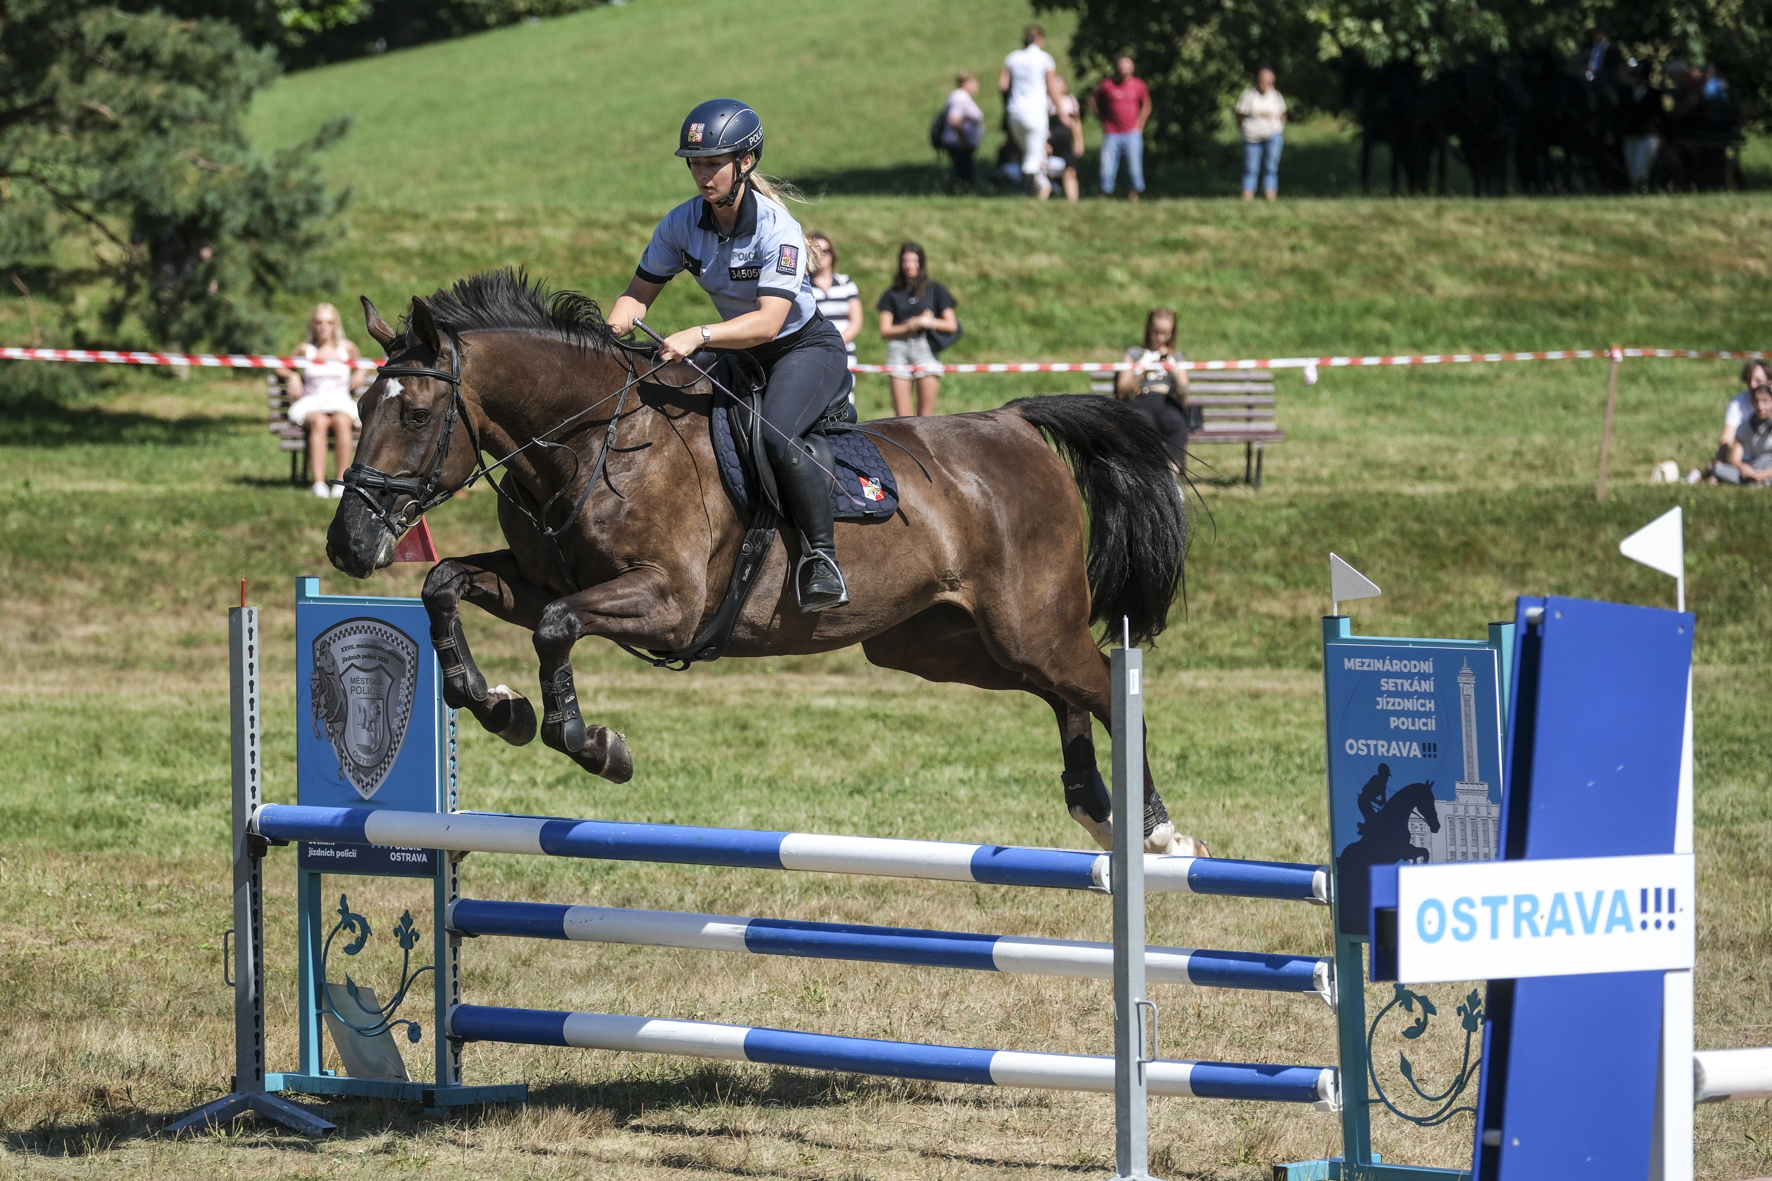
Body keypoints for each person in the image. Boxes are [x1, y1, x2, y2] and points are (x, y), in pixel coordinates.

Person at [607, 98, 854, 612]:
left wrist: (698, 334)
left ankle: (822, 560)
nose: (701, 173)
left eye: (712, 162)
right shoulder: (679, 224)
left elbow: (768, 322)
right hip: (739, 356)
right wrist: (611, 326)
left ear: (745, 163)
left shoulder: (776, 228)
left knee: (775, 435)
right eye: (694, 162)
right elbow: (636, 295)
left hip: (802, 349)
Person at [279, 302, 366, 499]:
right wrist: (292, 376)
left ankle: (340, 482)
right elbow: (281, 366)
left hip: (340, 401)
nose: (324, 326)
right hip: (312, 402)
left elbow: (363, 366)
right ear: (313, 325)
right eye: (319, 322)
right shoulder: (305, 349)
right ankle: (318, 483)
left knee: (342, 421)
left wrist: (360, 373)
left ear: (336, 325)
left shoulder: (347, 348)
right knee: (319, 421)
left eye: (329, 322)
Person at [876, 241, 957, 418]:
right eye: (905, 261)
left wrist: (928, 323)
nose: (909, 265)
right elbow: (885, 330)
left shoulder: (935, 289)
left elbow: (951, 325)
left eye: (914, 261)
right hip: (899, 349)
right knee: (902, 417)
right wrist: (911, 325)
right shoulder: (892, 293)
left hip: (925, 349)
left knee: (925, 417)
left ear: (921, 263)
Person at [1113, 308, 1190, 474]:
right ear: (1148, 329)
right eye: (1156, 332)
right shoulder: (1133, 354)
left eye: (1166, 333)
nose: (1161, 338)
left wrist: (1174, 375)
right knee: (1144, 424)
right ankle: (1151, 474)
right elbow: (1121, 392)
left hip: (1166, 401)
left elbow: (1184, 396)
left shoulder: (1176, 356)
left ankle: (1172, 474)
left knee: (1177, 424)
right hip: (1142, 400)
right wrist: (1142, 371)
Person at [999, 24, 1063, 199]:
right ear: (1040, 40)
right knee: (1033, 156)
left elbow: (1003, 85)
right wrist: (1062, 111)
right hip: (1035, 112)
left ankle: (1037, 188)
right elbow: (1052, 87)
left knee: (1026, 152)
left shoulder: (1012, 58)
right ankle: (1025, 192)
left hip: (1015, 112)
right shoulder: (1045, 59)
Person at [1090, 55, 1151, 200]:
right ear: (1117, 67)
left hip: (1132, 133)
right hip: (1112, 133)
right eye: (1122, 65)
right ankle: (1103, 195)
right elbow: (1093, 99)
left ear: (1132, 68)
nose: (1124, 69)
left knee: (1134, 168)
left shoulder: (1138, 85)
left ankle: (1134, 195)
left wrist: (1140, 124)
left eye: (1127, 65)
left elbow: (1147, 105)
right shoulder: (1107, 85)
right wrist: (1101, 119)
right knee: (1106, 167)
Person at [808, 233, 862, 387]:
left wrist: (839, 342)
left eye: (826, 251)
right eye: (816, 251)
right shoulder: (805, 285)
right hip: (817, 350)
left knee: (846, 397)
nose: (821, 255)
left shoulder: (845, 282)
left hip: (845, 350)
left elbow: (856, 321)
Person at [1235, 67, 1287, 202]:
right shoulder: (1249, 95)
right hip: (1251, 138)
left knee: (1271, 167)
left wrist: (1278, 128)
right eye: (1263, 81)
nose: (1265, 85)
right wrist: (1244, 130)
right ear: (1258, 81)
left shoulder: (1276, 96)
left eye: (1269, 82)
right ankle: (1247, 197)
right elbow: (1240, 115)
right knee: (1251, 168)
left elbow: (1283, 114)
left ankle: (1270, 196)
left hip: (1272, 135)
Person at [1711, 381, 1772, 486]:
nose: (1760, 406)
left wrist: (1767, 474)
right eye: (1756, 401)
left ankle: (1758, 482)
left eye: (1765, 401)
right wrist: (1743, 467)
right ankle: (1755, 482)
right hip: (1755, 466)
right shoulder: (1745, 426)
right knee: (1718, 469)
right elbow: (1735, 459)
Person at [941, 72, 985, 194]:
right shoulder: (960, 97)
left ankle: (959, 193)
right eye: (974, 83)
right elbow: (954, 119)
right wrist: (964, 139)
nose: (977, 86)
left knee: (965, 173)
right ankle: (956, 194)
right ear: (965, 83)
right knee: (963, 173)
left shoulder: (962, 97)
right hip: (958, 143)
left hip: (961, 142)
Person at [1047, 77, 1086, 202]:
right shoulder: (1046, 101)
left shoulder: (1071, 101)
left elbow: (1076, 123)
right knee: (1049, 173)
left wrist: (1079, 141)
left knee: (1070, 171)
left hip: (1067, 143)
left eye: (1060, 84)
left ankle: (1073, 201)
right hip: (1051, 143)